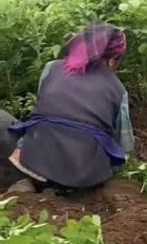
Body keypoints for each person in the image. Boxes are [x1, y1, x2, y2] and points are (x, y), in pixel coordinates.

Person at [1, 24, 135, 194]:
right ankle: (64, 189)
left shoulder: (52, 68)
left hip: (35, 162)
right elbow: (125, 146)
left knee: (5, 120)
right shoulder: (118, 89)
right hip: (84, 176)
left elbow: (43, 112)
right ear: (112, 59)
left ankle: (27, 182)